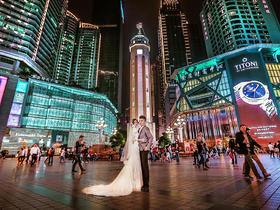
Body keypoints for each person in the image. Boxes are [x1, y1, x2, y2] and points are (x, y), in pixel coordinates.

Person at [83, 118, 143, 196]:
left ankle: (136, 181)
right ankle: (133, 181)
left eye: (136, 122)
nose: (136, 123)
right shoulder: (133, 129)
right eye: (135, 122)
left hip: (136, 147)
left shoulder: (137, 129)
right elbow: (132, 140)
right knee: (133, 163)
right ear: (133, 124)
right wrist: (139, 140)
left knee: (136, 163)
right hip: (135, 146)